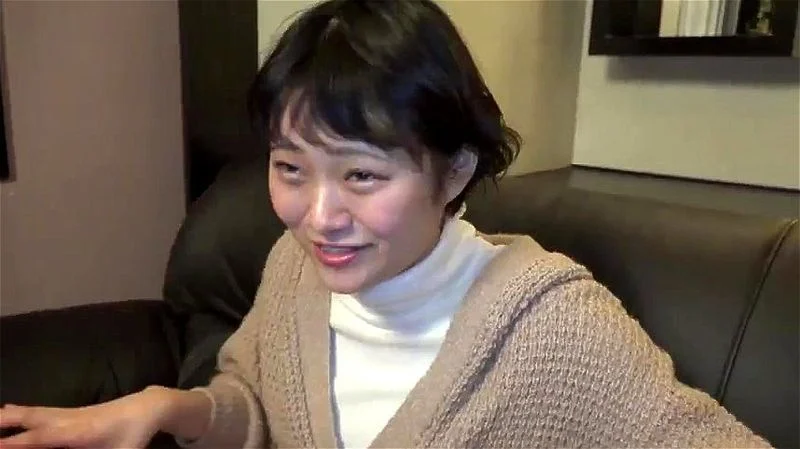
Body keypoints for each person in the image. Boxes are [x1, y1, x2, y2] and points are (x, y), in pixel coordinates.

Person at [0, 0, 772, 448]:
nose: (318, 217)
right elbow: (258, 402)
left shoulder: (551, 325)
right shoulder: (294, 268)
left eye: (362, 175)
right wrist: (171, 407)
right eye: (290, 168)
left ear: (455, 170)